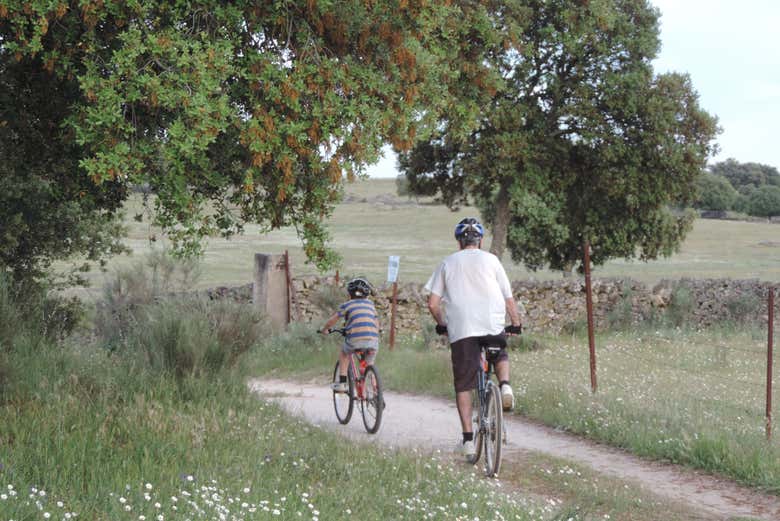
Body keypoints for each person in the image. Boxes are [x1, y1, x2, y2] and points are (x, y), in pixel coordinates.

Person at [425, 217, 522, 458]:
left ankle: (468, 440)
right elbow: (508, 297)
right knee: (499, 352)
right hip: (492, 322)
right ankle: (506, 386)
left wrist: (442, 324)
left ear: (459, 241)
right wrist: (516, 323)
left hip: (463, 328)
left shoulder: (447, 263)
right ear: (480, 241)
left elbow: (433, 304)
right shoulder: (492, 260)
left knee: (464, 384)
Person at [321, 277, 380, 392]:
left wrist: (325, 329)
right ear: (367, 295)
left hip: (355, 340)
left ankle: (342, 384)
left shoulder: (348, 305)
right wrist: (376, 331)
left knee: (344, 354)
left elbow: (333, 319)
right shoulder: (371, 305)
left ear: (349, 294)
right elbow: (376, 322)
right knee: (369, 363)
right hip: (373, 340)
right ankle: (376, 391)